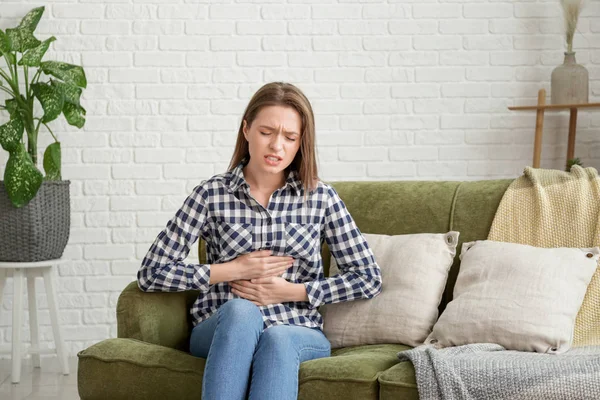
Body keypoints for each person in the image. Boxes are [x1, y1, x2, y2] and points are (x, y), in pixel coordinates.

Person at [137, 82, 382, 400]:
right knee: (241, 312)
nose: (277, 146)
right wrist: (230, 270)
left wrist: (295, 291)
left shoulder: (320, 197)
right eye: (267, 132)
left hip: (296, 326)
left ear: (300, 144)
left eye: (290, 137)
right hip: (222, 326)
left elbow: (368, 278)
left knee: (278, 339)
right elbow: (151, 272)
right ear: (247, 130)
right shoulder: (211, 194)